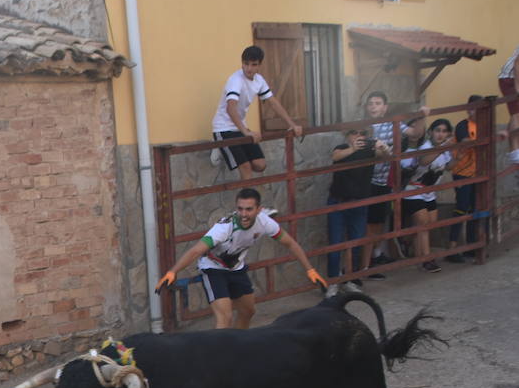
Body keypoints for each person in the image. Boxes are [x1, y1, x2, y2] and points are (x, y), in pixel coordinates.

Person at [156, 187, 326, 329]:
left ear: (259, 209)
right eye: (240, 209)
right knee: (225, 318)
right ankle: (219, 360)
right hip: (213, 268)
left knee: (248, 311)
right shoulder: (224, 228)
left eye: (249, 209)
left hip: (236, 268)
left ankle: (238, 346)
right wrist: (173, 272)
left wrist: (310, 269)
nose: (244, 214)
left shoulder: (265, 222)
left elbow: (290, 244)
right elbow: (196, 250)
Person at [212, 46, 304, 180]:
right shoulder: (235, 80)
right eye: (246, 64)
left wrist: (292, 125)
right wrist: (246, 132)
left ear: (259, 65)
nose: (249, 68)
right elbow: (230, 108)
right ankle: (247, 200)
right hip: (223, 128)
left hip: (240, 127)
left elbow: (273, 103)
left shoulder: (259, 80)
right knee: (246, 168)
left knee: (260, 165)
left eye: (253, 65)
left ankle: (226, 152)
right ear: (242, 63)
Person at [361, 91, 423, 278]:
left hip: (383, 181)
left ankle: (375, 257)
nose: (373, 106)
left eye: (377, 103)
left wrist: (422, 116)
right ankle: (365, 266)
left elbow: (415, 133)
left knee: (378, 222)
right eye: (370, 103)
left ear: (385, 107)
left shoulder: (392, 124)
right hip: (366, 181)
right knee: (370, 225)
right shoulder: (362, 127)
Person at [399, 117, 453, 273]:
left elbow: (450, 167)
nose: (440, 135)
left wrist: (459, 151)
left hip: (430, 192)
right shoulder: (426, 146)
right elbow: (424, 161)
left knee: (428, 225)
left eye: (444, 131)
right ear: (430, 132)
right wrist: (442, 148)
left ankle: (406, 241)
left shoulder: (445, 148)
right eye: (437, 131)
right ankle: (426, 260)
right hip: (413, 190)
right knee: (424, 225)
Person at [325, 127, 375, 284]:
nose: (359, 136)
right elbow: (335, 156)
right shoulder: (342, 148)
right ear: (347, 136)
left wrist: (382, 146)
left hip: (359, 203)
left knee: (356, 242)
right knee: (335, 244)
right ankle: (333, 280)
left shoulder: (371, 150)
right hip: (338, 203)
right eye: (355, 133)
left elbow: (387, 155)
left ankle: (350, 277)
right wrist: (353, 148)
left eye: (363, 133)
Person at [448, 95, 484, 262]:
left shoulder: (483, 126)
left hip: (477, 173)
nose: (474, 111)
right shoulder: (463, 125)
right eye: (472, 107)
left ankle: (471, 246)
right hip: (462, 172)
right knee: (461, 208)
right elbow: (465, 141)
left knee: (474, 209)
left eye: (478, 107)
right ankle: (452, 249)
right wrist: (484, 141)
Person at [500, 45, 519, 168]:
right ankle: (514, 153)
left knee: (515, 114)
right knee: (516, 114)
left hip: (512, 79)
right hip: (510, 79)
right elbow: (517, 65)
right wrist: (517, 87)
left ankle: (507, 135)